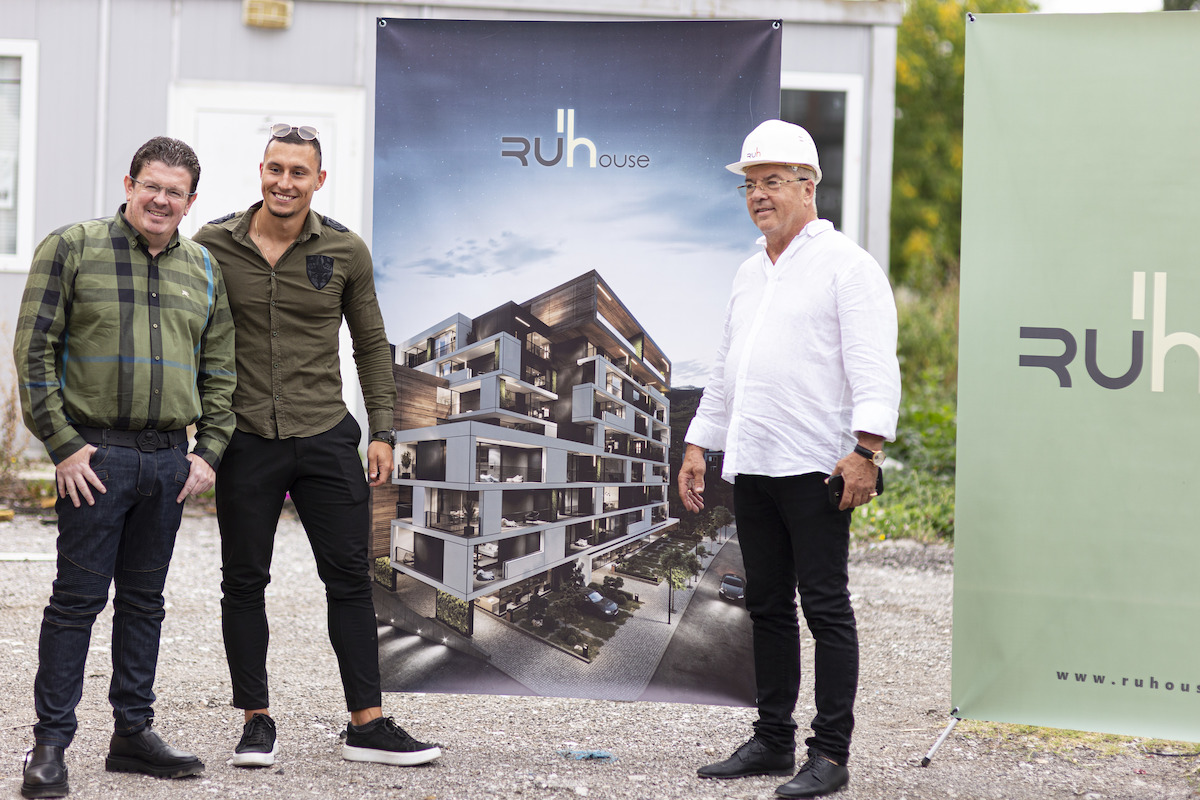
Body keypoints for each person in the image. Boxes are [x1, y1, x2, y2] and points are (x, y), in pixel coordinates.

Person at [191, 124, 440, 769]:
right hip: (246, 440)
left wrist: (382, 431)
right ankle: (255, 720)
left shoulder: (345, 250)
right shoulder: (212, 245)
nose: (284, 182)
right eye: (275, 169)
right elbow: (186, 334)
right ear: (261, 171)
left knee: (349, 580)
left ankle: (367, 724)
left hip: (326, 435)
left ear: (319, 180)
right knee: (243, 581)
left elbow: (370, 345)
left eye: (298, 172)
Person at [678, 120, 901, 799]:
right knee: (769, 605)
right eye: (751, 184)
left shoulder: (847, 267)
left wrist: (866, 452)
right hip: (754, 463)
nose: (758, 195)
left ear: (809, 186)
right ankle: (773, 739)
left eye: (772, 181)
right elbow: (727, 369)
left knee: (825, 608)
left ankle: (830, 753)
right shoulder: (750, 273)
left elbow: (875, 369)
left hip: (816, 465)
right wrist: (698, 443)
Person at [13, 136, 236, 798]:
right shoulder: (72, 248)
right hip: (95, 459)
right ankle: (49, 746)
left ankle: (132, 734)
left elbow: (221, 367)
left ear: (191, 201)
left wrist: (208, 451)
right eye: (152, 186)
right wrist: (62, 444)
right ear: (129, 184)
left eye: (176, 192)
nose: (161, 200)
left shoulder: (203, 267)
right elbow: (34, 351)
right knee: (75, 603)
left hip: (168, 463)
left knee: (144, 603)